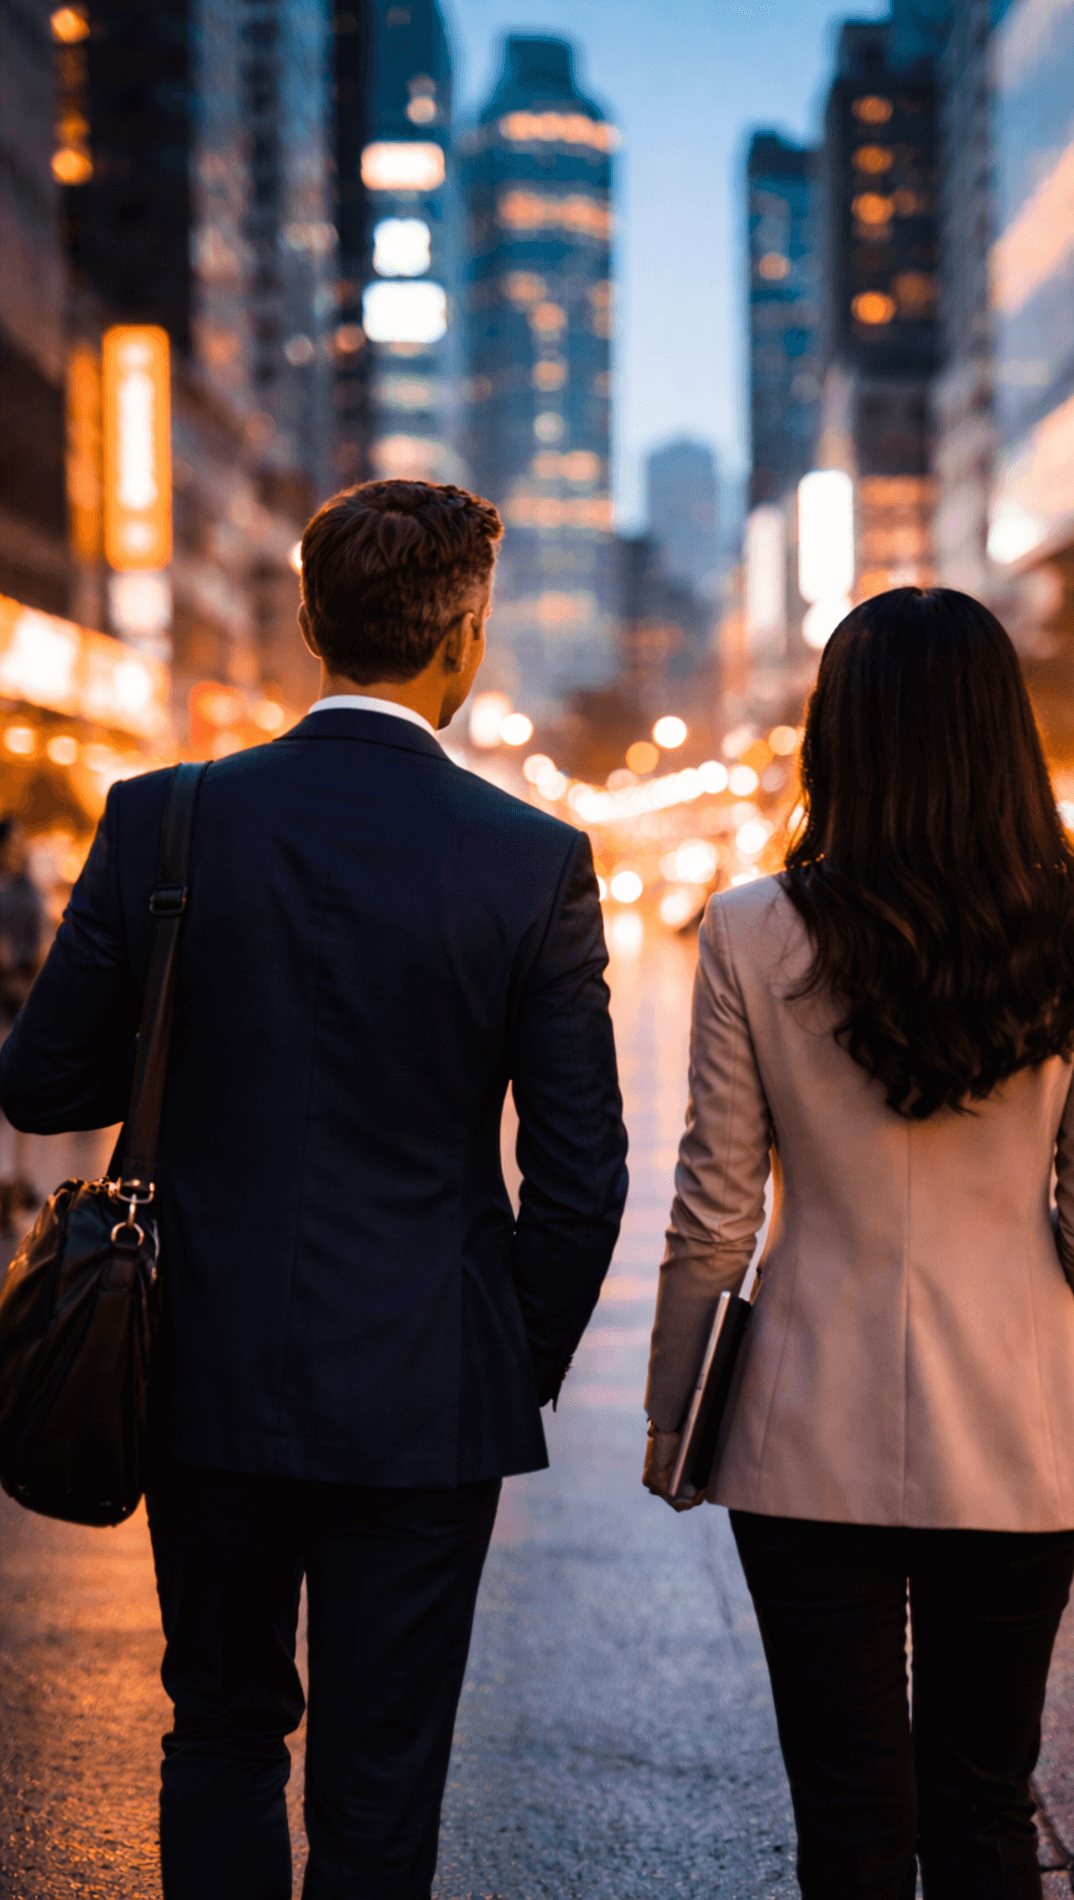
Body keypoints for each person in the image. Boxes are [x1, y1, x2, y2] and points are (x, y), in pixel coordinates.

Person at [0, 480, 629, 1900]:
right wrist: (501, 1358)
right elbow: (580, 1173)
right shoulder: (531, 861)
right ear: (461, 638)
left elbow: (40, 1086)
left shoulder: (165, 821)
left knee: (219, 1731)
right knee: (380, 1782)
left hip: (197, 1362)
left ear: (306, 623)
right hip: (428, 1387)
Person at [642, 587, 1074, 1900]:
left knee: (848, 1819)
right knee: (983, 1808)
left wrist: (670, 1412)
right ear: (1002, 733)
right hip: (1024, 1422)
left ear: (835, 734)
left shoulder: (754, 925)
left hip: (803, 1416)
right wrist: (1028, 1326)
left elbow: (712, 1210)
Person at [0, 817, 43, 1230]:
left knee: (15, 1109)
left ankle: (12, 1193)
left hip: (16, 1007)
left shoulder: (29, 892)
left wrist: (14, 959)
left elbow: (37, 948)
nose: (17, 847)